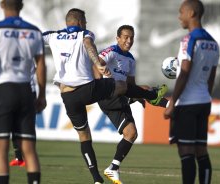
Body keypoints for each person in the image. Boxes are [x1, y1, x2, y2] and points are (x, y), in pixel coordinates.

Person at [43, 8, 167, 184]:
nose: (86, 24)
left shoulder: (53, 36)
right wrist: (98, 64)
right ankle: (152, 95)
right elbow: (88, 44)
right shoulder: (85, 34)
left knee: (86, 137)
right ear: (79, 22)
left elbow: (34, 39)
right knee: (123, 86)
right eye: (84, 21)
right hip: (87, 89)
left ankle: (98, 178)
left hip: (68, 96)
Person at [0, 0, 46, 183]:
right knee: (28, 149)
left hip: (2, 91)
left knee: (0, 149)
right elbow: (41, 65)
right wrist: (42, 94)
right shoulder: (35, 31)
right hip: (25, 90)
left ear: (2, 5)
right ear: (21, 6)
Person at [96, 25, 168, 184]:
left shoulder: (131, 59)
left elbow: (131, 85)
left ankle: (113, 168)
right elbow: (97, 62)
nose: (129, 41)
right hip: (107, 94)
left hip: (121, 96)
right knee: (149, 92)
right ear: (118, 38)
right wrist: (100, 77)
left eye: (131, 38)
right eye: (126, 37)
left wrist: (139, 95)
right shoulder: (111, 51)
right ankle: (166, 103)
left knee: (131, 134)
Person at [164, 1, 219, 184]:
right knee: (201, 151)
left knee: (186, 152)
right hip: (204, 101)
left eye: (181, 12)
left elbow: (184, 73)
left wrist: (172, 103)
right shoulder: (213, 42)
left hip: (187, 104)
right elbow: (212, 76)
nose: (179, 16)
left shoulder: (189, 40)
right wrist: (208, 98)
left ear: (192, 13)